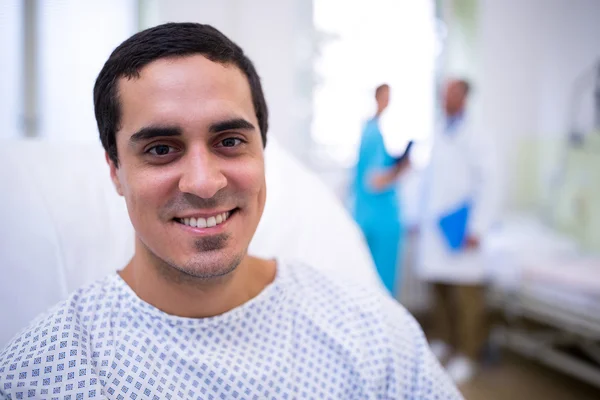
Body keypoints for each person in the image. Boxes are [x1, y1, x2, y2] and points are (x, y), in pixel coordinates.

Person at [0, 23, 462, 399]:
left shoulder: (372, 334)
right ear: (116, 171)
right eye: (161, 148)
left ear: (263, 152)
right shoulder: (47, 372)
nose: (204, 182)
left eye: (230, 142)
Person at [418, 79, 498, 385]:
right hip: (436, 227)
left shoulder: (478, 136)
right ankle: (444, 341)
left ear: (464, 96)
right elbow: (430, 180)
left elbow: (490, 182)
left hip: (464, 227)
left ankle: (468, 354)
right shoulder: (439, 131)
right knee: (439, 291)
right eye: (443, 93)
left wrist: (479, 226)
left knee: (466, 298)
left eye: (451, 93)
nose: (445, 98)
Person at [352, 84, 411, 296]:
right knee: (381, 286)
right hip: (380, 220)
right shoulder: (373, 133)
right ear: (378, 98)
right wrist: (401, 168)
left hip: (370, 216)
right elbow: (374, 181)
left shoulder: (370, 129)